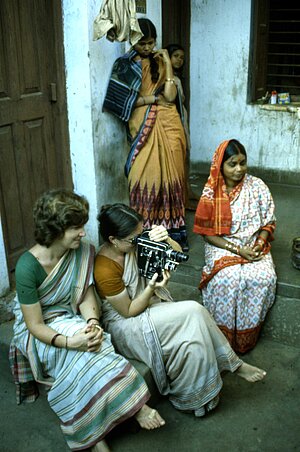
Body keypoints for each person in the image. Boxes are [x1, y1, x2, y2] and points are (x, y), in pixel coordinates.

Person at [9, 189, 165, 452]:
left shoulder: (82, 252)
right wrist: (71, 342)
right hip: (38, 328)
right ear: (55, 230)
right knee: (81, 354)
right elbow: (34, 325)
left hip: (69, 318)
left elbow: (86, 296)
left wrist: (92, 323)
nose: (83, 233)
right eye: (76, 228)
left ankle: (95, 429)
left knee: (95, 340)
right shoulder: (27, 266)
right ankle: (116, 420)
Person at [94, 203, 267, 418]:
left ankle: (196, 402)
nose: (139, 240)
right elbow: (128, 311)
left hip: (150, 304)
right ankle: (236, 365)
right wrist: (151, 288)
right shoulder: (105, 267)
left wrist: (166, 238)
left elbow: (176, 256)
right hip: (127, 323)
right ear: (113, 240)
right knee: (194, 310)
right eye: (133, 238)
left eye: (141, 232)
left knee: (191, 341)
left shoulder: (131, 242)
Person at [103, 18, 188, 250]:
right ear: (133, 40)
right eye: (143, 43)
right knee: (143, 177)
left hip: (169, 125)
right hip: (142, 128)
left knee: (171, 178)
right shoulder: (124, 65)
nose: (148, 48)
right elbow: (121, 103)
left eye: (152, 43)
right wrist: (151, 100)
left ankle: (172, 234)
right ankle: (145, 232)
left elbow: (170, 96)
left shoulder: (160, 62)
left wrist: (168, 65)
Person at [193, 139, 277, 354]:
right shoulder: (211, 192)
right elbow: (208, 235)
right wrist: (238, 250)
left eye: (242, 163)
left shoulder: (257, 186)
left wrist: (259, 243)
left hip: (253, 244)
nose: (239, 169)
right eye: (232, 164)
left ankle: (245, 340)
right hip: (222, 246)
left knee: (261, 277)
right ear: (220, 165)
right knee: (227, 278)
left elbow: (268, 221)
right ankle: (222, 340)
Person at [166, 43, 199, 211]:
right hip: (175, 121)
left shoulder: (176, 77)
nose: (179, 60)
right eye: (176, 56)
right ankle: (183, 199)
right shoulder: (169, 78)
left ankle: (188, 193)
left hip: (181, 119)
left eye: (182, 57)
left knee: (185, 156)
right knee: (179, 160)